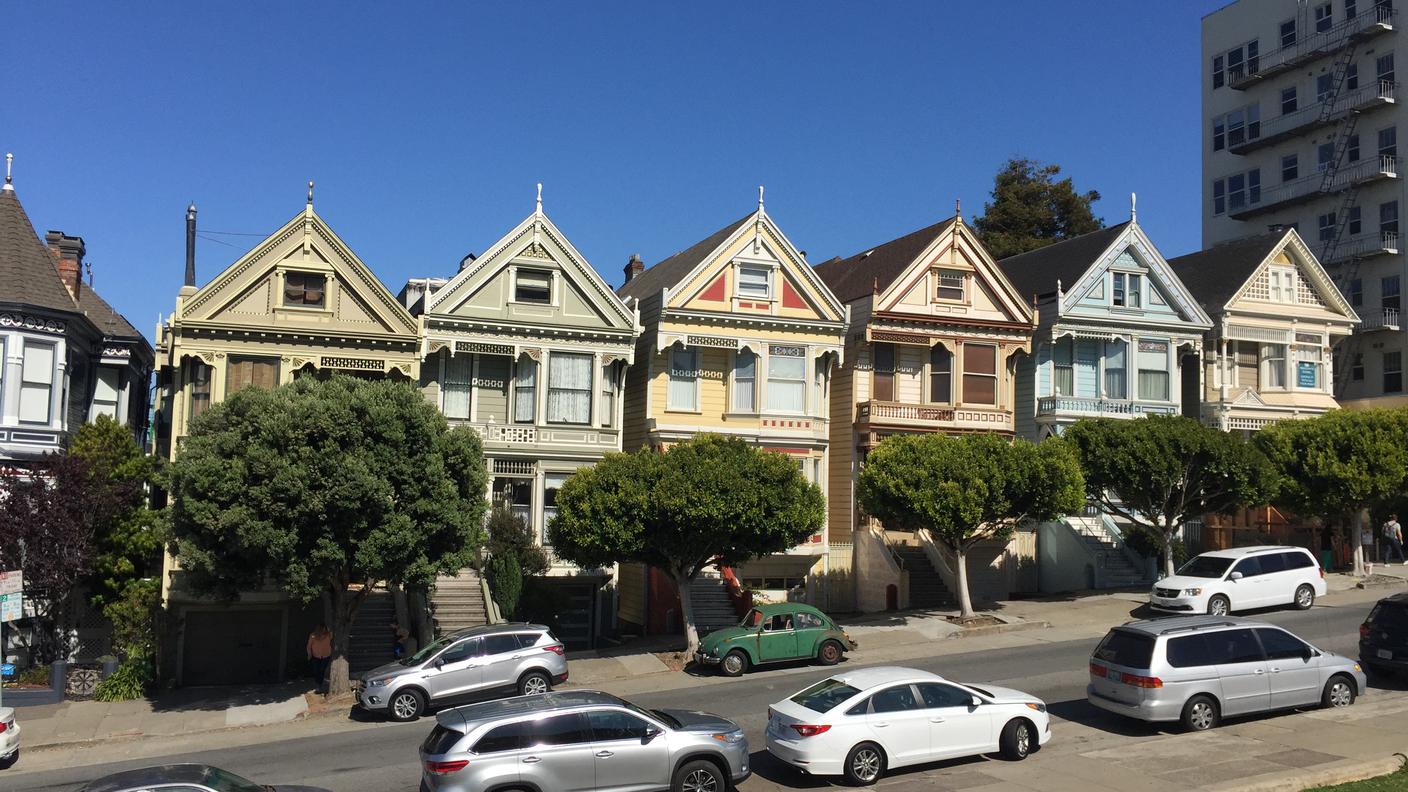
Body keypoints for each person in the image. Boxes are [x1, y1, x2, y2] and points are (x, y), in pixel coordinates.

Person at [306, 624, 332, 694]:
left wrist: (328, 629)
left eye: (325, 629)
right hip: (316, 656)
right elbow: (309, 646)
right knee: (316, 670)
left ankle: (319, 685)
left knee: (322, 670)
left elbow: (332, 633)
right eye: (322, 629)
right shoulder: (313, 636)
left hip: (326, 655)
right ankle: (318, 683)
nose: (324, 630)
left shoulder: (328, 635)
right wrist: (309, 654)